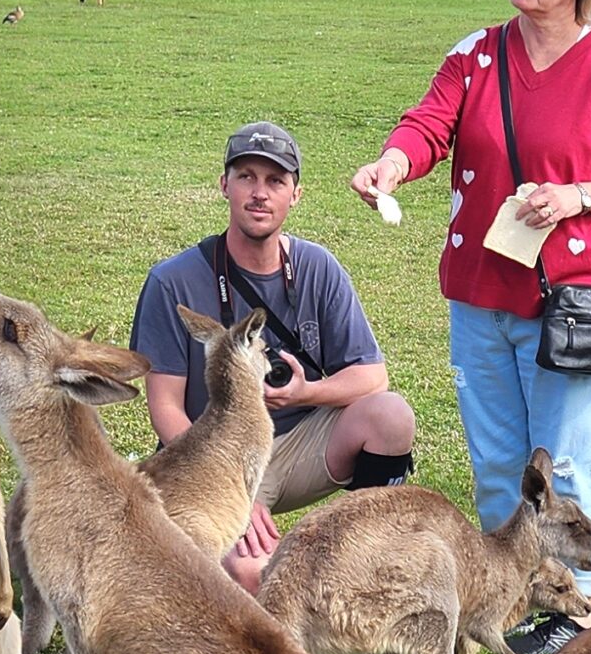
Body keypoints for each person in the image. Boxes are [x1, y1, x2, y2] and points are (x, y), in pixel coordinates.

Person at [352, 0, 591, 654]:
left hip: (569, 305)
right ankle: (516, 600)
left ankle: (576, 613)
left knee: (566, 461)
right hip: (480, 299)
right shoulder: (477, 56)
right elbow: (430, 124)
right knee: (499, 465)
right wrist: (393, 163)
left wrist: (577, 197)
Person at [132, 122, 416, 594]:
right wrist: (230, 492)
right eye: (246, 176)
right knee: (253, 575)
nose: (259, 194)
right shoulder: (172, 282)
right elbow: (165, 407)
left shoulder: (318, 268)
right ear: (224, 185)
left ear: (296, 194)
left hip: (300, 443)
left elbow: (373, 376)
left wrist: (308, 392)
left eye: (275, 181)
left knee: (391, 416)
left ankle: (366, 547)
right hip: (215, 458)